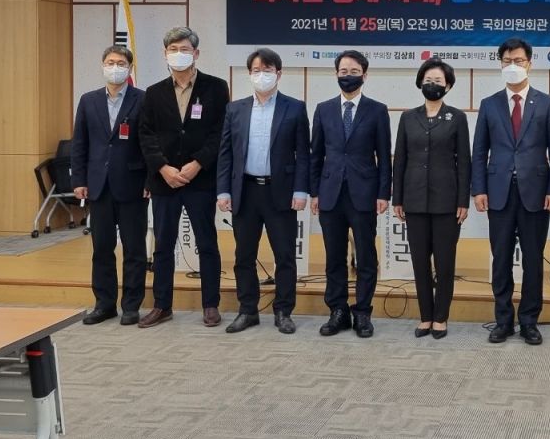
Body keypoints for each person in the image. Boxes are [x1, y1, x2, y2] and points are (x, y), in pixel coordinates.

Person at [472, 37, 550, 345]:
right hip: (498, 192)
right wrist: (478, 189)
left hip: (536, 193)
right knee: (500, 259)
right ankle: (503, 320)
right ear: (500, 64)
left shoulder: (548, 103)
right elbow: (479, 151)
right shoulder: (489, 104)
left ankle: (529, 321)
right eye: (507, 61)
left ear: (530, 64)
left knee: (533, 260)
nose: (513, 66)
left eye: (519, 61)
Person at [138, 27, 229, 328]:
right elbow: (146, 135)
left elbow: (220, 132)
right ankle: (162, 305)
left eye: (185, 49)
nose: (179, 54)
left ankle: (211, 304)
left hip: (200, 180)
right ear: (165, 54)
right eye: (173, 49)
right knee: (163, 245)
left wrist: (198, 163)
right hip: (165, 181)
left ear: (196, 53)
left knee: (207, 243)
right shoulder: (154, 93)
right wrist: (163, 168)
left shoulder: (216, 88)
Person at [217, 48, 310, 335]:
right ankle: (248, 310)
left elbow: (303, 155)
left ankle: (283, 311)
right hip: (245, 191)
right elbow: (226, 153)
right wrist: (223, 191)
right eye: (256, 70)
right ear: (249, 74)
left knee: (284, 255)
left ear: (278, 74)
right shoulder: (235, 109)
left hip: (280, 192)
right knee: (244, 256)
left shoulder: (295, 108)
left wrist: (301, 190)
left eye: (267, 70)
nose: (262, 75)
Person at [310, 50, 391, 338]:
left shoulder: (377, 110)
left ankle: (363, 313)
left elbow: (384, 156)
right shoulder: (323, 109)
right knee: (334, 256)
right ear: (336, 74)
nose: (348, 76)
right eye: (343, 71)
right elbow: (315, 154)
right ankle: (338, 311)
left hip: (364, 193)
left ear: (364, 75)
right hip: (330, 193)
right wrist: (315, 192)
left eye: (354, 71)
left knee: (366, 256)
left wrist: (383, 193)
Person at [392, 58, 471, 339]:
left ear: (447, 86)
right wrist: (397, 198)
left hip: (447, 201)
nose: (432, 85)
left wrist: (463, 201)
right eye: (428, 80)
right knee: (420, 262)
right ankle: (425, 316)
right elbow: (400, 160)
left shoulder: (457, 118)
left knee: (445, 263)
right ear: (420, 83)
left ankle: (441, 317)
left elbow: (464, 162)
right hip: (413, 199)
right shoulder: (407, 118)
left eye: (438, 81)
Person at [71, 45, 148, 326]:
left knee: (134, 250)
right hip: (98, 186)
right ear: (102, 65)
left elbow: (150, 144)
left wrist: (150, 180)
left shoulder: (143, 99)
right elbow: (80, 143)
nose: (115, 67)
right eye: (110, 62)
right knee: (102, 249)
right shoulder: (88, 100)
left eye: (121, 63)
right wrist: (79, 180)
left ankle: (131, 306)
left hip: (133, 185)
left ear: (129, 68)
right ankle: (104, 304)